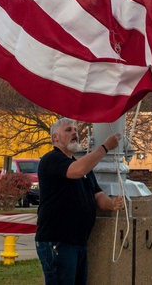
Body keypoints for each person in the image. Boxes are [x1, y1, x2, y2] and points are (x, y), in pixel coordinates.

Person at [35, 118, 126, 285]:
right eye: (68, 130)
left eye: (76, 130)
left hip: (78, 242)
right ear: (55, 138)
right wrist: (105, 147)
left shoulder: (81, 165)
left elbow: (98, 195)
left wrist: (111, 204)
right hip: (58, 242)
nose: (74, 133)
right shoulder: (52, 159)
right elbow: (77, 171)